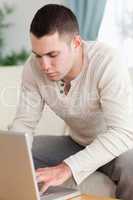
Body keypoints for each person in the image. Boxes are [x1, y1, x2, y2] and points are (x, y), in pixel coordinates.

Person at [9, 4, 133, 200]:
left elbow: (123, 132)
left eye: (52, 55)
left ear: (76, 43)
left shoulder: (107, 61)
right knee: (15, 155)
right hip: (76, 142)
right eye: (38, 55)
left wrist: (67, 168)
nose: (44, 66)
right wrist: (11, 156)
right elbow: (24, 123)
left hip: (121, 147)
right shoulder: (33, 69)